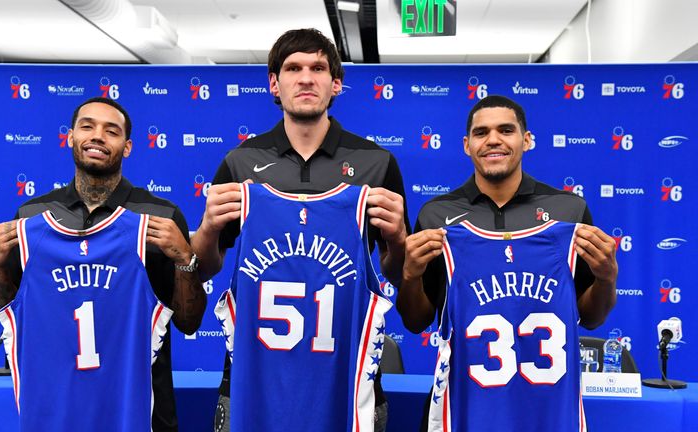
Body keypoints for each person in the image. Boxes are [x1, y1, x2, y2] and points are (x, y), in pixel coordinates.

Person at [191, 28, 409, 432]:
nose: (306, 78)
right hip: (252, 376)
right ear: (274, 83)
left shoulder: (375, 163)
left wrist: (397, 239)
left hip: (349, 375)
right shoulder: (241, 162)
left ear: (336, 84)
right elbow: (203, 266)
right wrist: (206, 228)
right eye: (293, 68)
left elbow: (397, 273)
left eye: (318, 68)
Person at [0, 97, 206, 432]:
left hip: (142, 413)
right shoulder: (32, 217)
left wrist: (185, 260)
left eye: (111, 130)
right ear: (70, 136)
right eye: (87, 126)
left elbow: (189, 323)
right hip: (58, 411)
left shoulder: (159, 216)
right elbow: (12, 313)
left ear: (127, 147)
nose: (98, 136)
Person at [398, 95, 618, 430]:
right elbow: (417, 321)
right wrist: (410, 276)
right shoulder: (438, 215)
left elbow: (591, 318)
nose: (494, 140)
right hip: (464, 406)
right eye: (481, 132)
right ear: (467, 145)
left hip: (546, 408)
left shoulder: (568, 212)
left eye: (506, 130)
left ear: (526, 140)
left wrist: (606, 279)